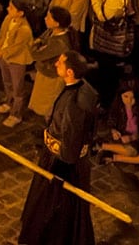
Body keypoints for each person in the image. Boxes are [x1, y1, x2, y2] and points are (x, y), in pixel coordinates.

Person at [16, 53, 100, 245]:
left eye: (60, 62)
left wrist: (59, 171)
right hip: (63, 158)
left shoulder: (75, 104)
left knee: (54, 206)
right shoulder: (80, 89)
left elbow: (71, 139)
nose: (56, 63)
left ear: (70, 72)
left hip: (61, 163)